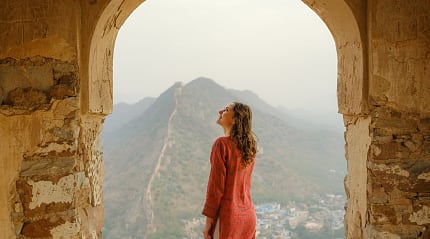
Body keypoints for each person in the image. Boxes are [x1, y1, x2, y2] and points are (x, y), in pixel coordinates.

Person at [202, 102, 257, 239]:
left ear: (235, 119)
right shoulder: (249, 147)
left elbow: (216, 188)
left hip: (228, 218)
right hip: (248, 217)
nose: (220, 111)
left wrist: (208, 224)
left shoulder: (222, 145)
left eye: (226, 110)